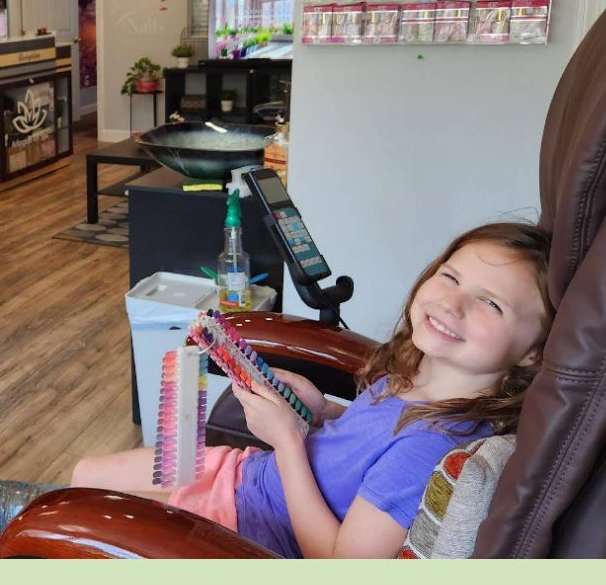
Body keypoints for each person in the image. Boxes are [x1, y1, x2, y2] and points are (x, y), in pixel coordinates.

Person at [73, 222, 554, 558]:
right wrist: (322, 411)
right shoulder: (417, 374)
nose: (452, 302)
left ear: (533, 351)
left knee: (68, 515)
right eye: (450, 276)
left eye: (490, 303)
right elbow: (363, 447)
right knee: (82, 474)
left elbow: (338, 563)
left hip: (249, 525)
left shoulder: (428, 446)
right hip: (247, 478)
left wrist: (286, 441)